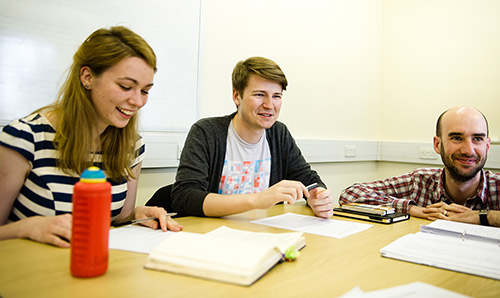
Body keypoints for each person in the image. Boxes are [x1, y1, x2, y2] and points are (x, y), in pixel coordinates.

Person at [0, 26, 182, 248]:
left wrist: (140, 214)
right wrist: (27, 227)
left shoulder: (132, 146)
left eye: (145, 91)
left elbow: (117, 219)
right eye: (126, 87)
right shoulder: (25, 138)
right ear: (87, 77)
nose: (138, 101)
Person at [168, 56, 333, 218]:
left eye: (276, 96)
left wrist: (317, 195)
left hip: (264, 235)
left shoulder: (279, 134)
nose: (269, 105)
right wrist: (257, 199)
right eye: (260, 95)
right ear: (236, 96)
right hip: (215, 235)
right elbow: (185, 197)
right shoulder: (206, 132)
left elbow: (307, 177)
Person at [339, 106, 500, 227]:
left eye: (477, 139)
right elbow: (349, 195)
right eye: (457, 138)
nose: (468, 150)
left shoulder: (497, 186)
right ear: (437, 145)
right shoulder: (420, 181)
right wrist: (412, 209)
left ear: (487, 146)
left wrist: (483, 216)